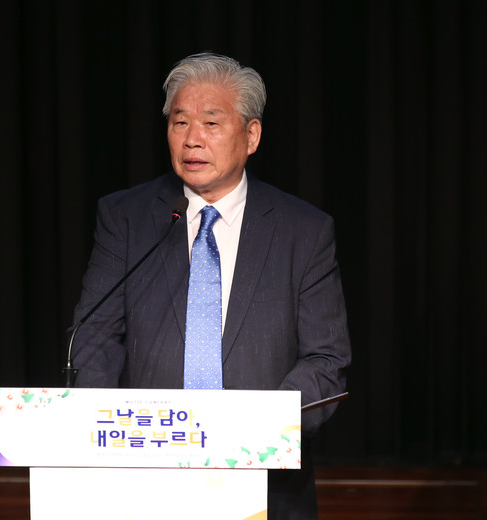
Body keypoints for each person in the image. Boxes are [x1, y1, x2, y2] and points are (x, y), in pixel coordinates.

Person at [71, 52, 351, 519]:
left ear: (251, 135)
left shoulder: (304, 231)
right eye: (180, 122)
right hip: (144, 478)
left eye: (211, 123)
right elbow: (93, 338)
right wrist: (109, 438)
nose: (192, 139)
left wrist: (254, 435)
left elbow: (326, 359)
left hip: (263, 479)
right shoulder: (126, 217)